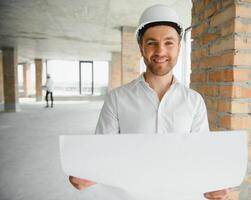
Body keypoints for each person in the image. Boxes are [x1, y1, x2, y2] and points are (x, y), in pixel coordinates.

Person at [69, 4, 229, 200]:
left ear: (179, 47)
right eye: (151, 43)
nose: (160, 51)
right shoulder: (117, 99)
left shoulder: (194, 101)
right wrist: (86, 171)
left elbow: (200, 155)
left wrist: (213, 183)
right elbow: (102, 153)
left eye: (169, 43)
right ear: (141, 48)